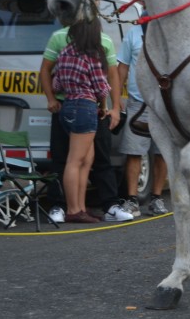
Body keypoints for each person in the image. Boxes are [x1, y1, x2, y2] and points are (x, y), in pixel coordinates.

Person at [39, 18, 128, 223]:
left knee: (86, 159)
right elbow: (102, 87)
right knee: (76, 160)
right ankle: (73, 209)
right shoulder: (93, 56)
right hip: (87, 107)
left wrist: (59, 94)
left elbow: (57, 83)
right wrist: (105, 105)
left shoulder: (65, 53)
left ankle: (80, 207)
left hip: (67, 105)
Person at [116, 22, 169, 217]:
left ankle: (157, 198)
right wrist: (116, 99)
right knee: (134, 152)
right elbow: (122, 67)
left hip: (165, 104)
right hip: (138, 103)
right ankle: (132, 200)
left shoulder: (169, 30)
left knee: (162, 153)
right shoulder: (133, 33)